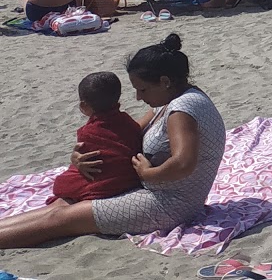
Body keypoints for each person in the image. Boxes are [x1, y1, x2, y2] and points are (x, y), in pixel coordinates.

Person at [0, 34, 226, 247]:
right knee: (63, 204)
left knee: (61, 218)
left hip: (169, 204)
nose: (138, 97)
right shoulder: (173, 100)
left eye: (142, 89)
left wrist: (148, 174)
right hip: (155, 192)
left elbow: (184, 163)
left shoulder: (182, 111)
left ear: (165, 81)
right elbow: (127, 132)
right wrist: (78, 156)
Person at [49, 73, 144, 205]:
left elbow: (91, 162)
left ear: (83, 106)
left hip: (108, 183)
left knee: (62, 183)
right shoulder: (127, 120)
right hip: (130, 178)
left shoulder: (88, 132)